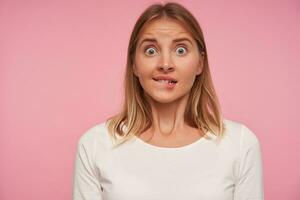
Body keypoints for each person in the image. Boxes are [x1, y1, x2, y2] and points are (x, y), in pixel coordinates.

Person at [72, 2, 264, 200]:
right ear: (134, 65)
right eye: (151, 51)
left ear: (200, 63)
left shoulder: (240, 144)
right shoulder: (94, 145)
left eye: (180, 50)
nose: (165, 64)